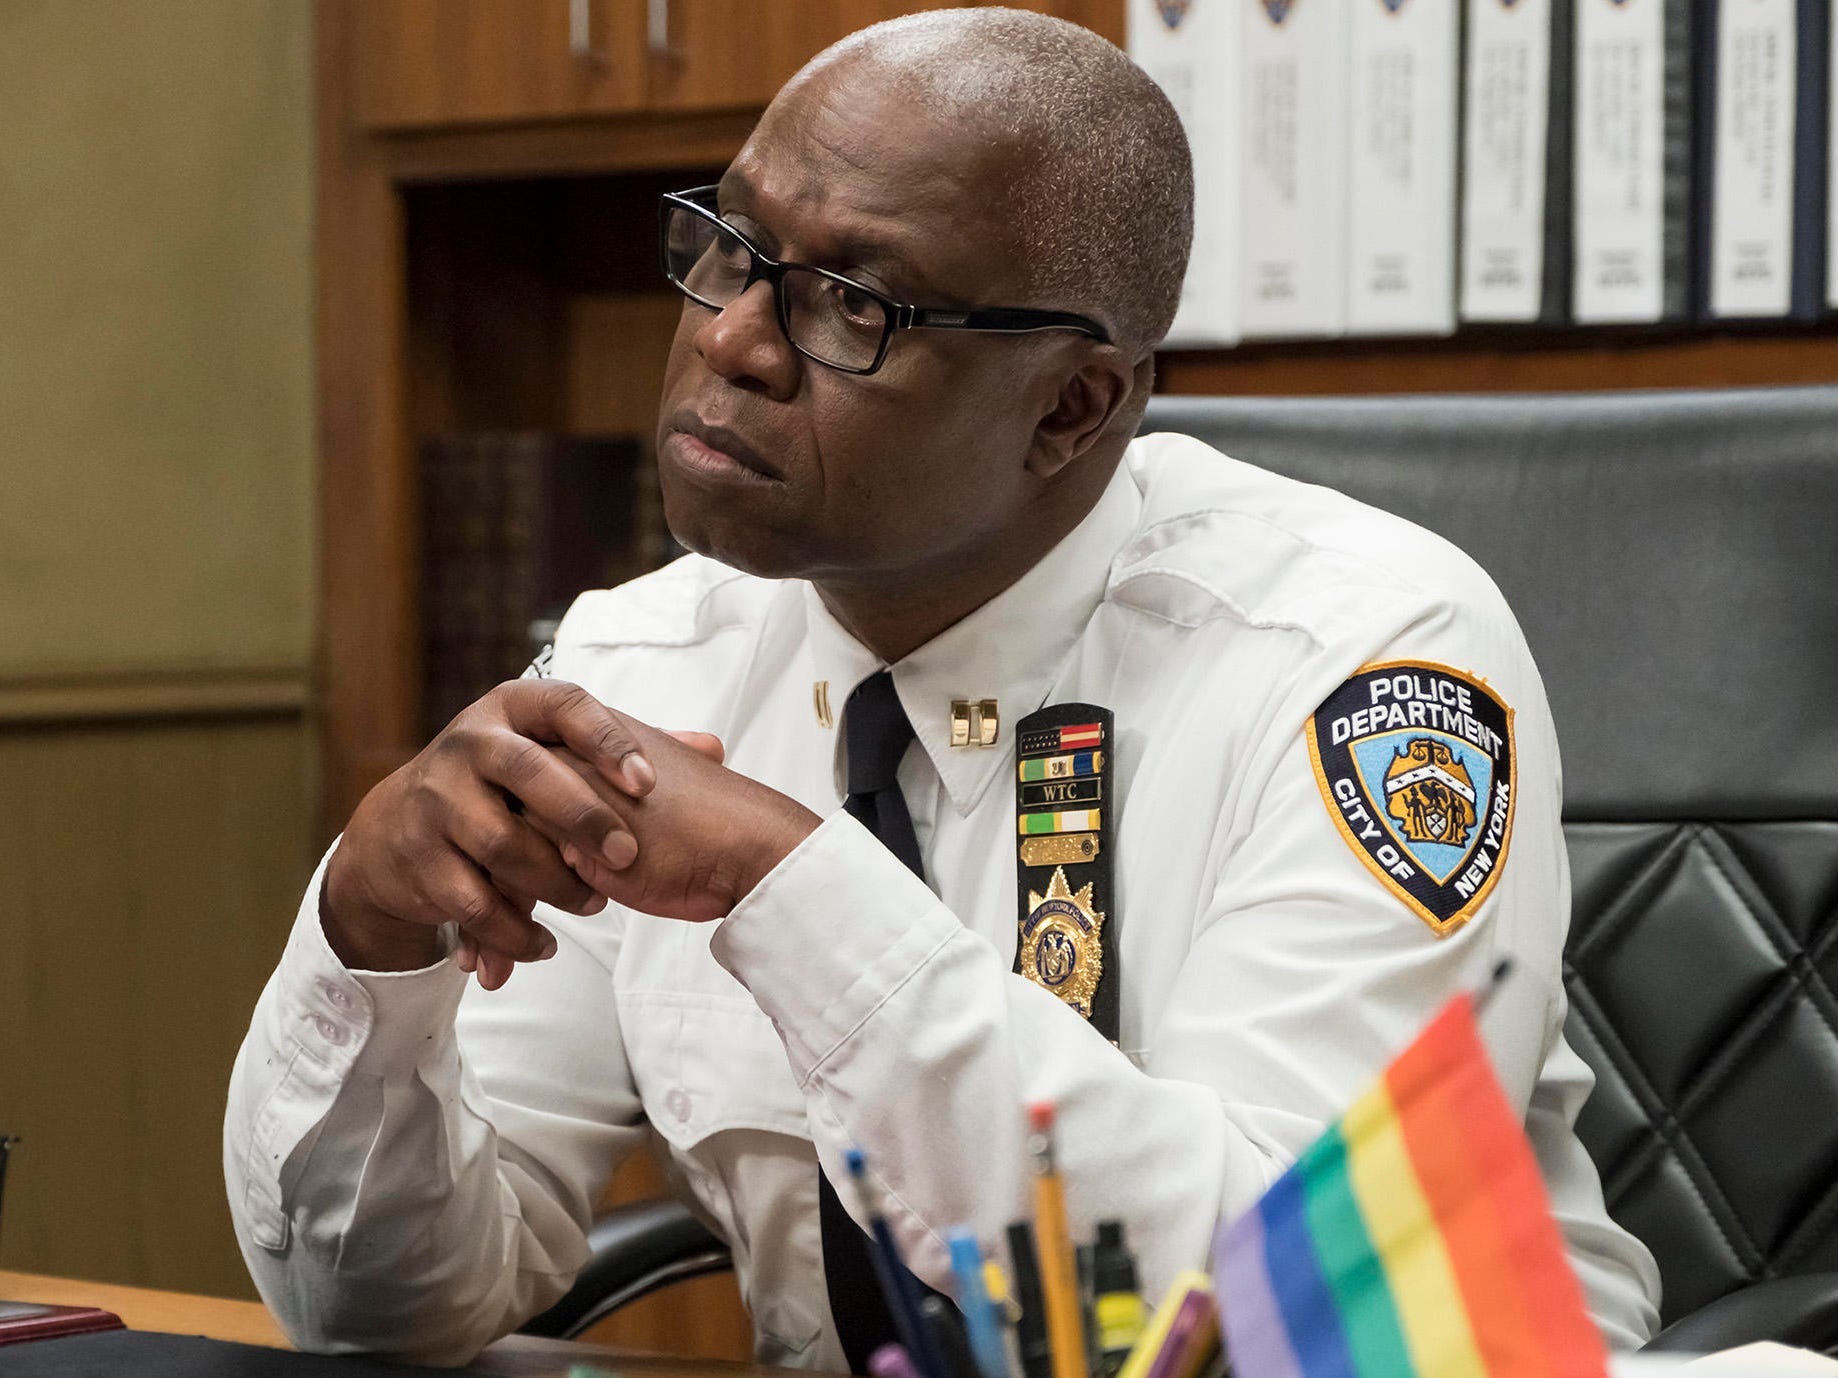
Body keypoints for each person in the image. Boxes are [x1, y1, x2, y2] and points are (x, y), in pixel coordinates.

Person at [224, 8, 1660, 1369]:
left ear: (1071, 406)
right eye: (730, 248)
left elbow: (1270, 1316)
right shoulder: (645, 659)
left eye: (851, 301)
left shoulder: (1362, 660)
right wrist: (372, 938)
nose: (730, 337)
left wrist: (792, 888)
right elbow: (380, 1309)